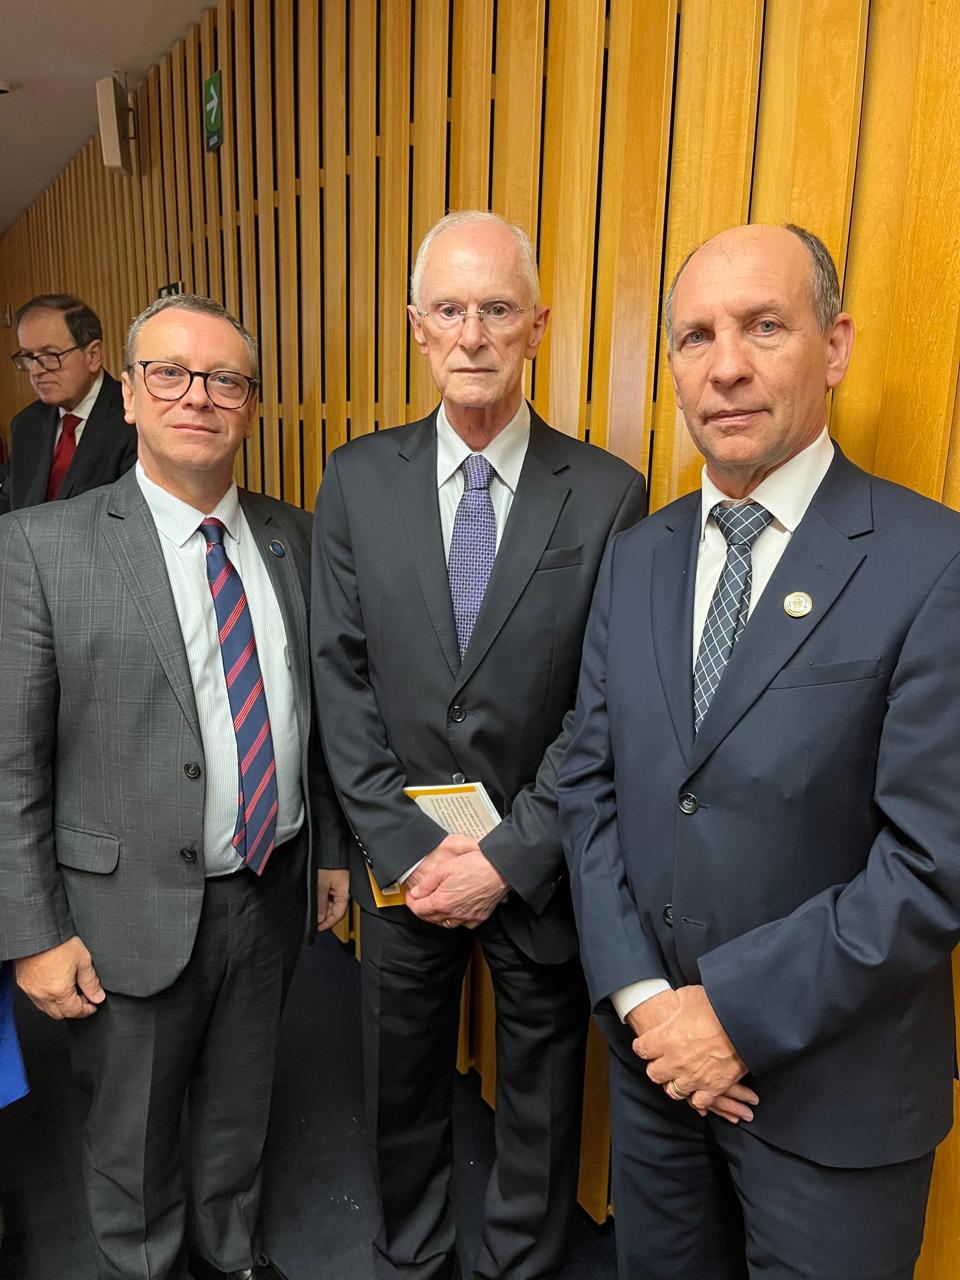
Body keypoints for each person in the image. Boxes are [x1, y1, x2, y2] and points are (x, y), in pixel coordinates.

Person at [558, 223, 960, 1280]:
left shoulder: (934, 562)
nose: (725, 363)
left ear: (834, 347)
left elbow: (932, 863)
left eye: (763, 326)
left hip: (834, 1102)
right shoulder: (638, 556)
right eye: (695, 336)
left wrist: (729, 1012)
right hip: (655, 1077)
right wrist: (649, 1004)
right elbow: (590, 785)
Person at [311, 209, 647, 1280]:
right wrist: (406, 850)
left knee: (544, 1092)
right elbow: (341, 675)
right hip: (404, 852)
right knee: (398, 1073)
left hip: (535, 860)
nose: (472, 334)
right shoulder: (356, 480)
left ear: (537, 325)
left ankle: (519, 1262)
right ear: (416, 327)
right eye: (449, 310)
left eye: (497, 309)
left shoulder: (605, 493)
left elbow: (604, 702)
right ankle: (408, 1252)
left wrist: (508, 856)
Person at [0, 294, 350, 1280]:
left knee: (243, 1104)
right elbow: (11, 759)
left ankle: (228, 1252)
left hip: (268, 885)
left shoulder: (297, 536)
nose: (199, 395)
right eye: (172, 372)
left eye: (225, 379)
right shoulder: (40, 548)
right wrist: (31, 929)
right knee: (133, 1130)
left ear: (249, 404)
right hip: (120, 909)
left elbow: (312, 707)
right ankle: (143, 1264)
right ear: (129, 389)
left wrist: (327, 851)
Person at [0, 293, 137, 514]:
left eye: (50, 354)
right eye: (28, 356)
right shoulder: (25, 423)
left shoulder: (133, 420)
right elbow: (8, 507)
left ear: (92, 355)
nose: (36, 370)